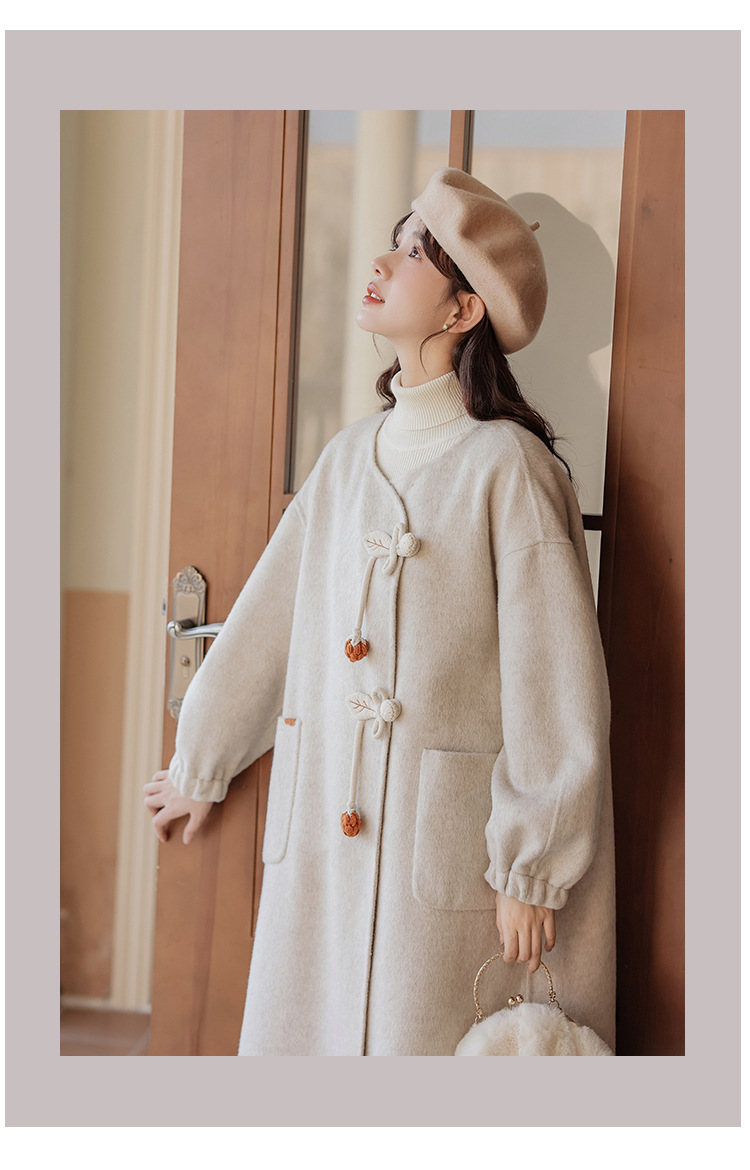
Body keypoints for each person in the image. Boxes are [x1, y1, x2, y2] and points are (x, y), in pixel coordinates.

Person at [144, 167, 616, 1056]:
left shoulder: (509, 470)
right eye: (393, 245)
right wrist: (203, 759)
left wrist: (533, 867)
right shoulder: (345, 458)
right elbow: (269, 621)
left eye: (413, 254)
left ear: (462, 310)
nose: (381, 264)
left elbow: (555, 687)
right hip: (326, 838)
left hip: (451, 862)